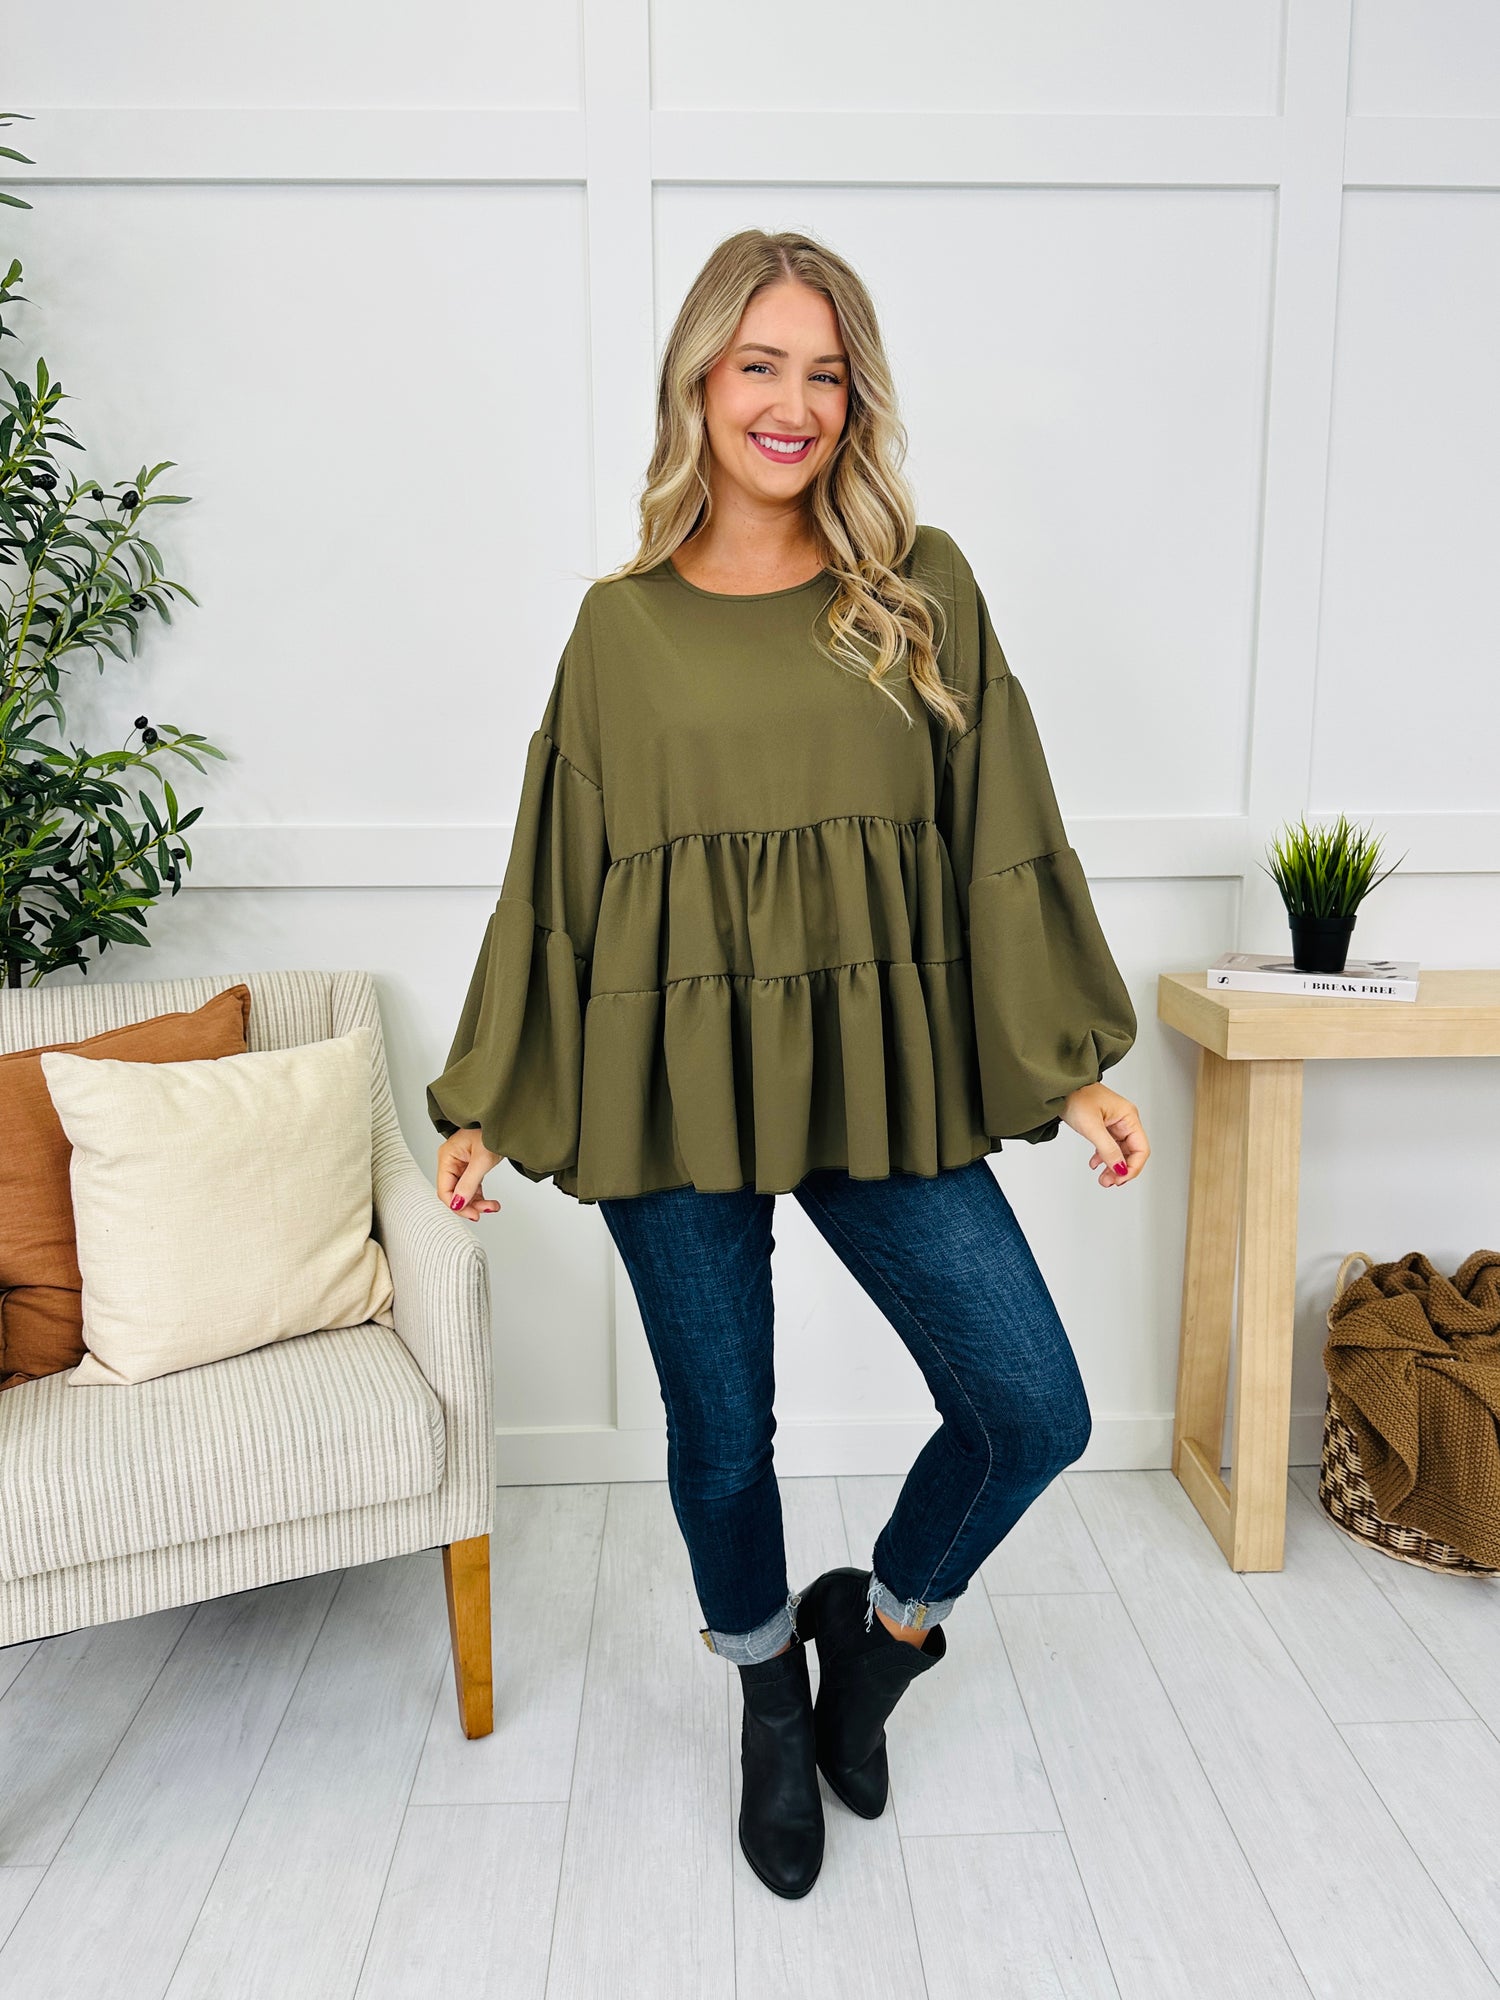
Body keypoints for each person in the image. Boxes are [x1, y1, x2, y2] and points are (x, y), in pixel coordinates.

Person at [427, 229, 1149, 1901]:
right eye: (761, 365)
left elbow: (1000, 832)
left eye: (827, 373)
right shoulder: (617, 630)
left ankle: (876, 1646)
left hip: (878, 1073)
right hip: (669, 1083)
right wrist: (488, 1099)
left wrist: (1068, 1068)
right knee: (722, 1439)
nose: (795, 404)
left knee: (1032, 1407)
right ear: (700, 381)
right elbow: (555, 879)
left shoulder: (921, 587)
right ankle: (768, 1698)